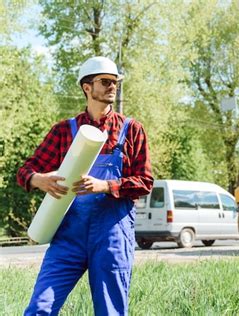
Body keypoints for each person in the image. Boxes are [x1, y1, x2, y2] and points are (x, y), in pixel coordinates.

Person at [17, 56, 154, 315]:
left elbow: (145, 182)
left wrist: (105, 186)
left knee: (110, 312)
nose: (112, 86)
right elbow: (25, 170)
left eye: (115, 82)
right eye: (105, 81)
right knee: (39, 308)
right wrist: (39, 179)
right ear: (87, 87)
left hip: (112, 236)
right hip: (68, 237)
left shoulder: (131, 130)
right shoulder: (64, 131)